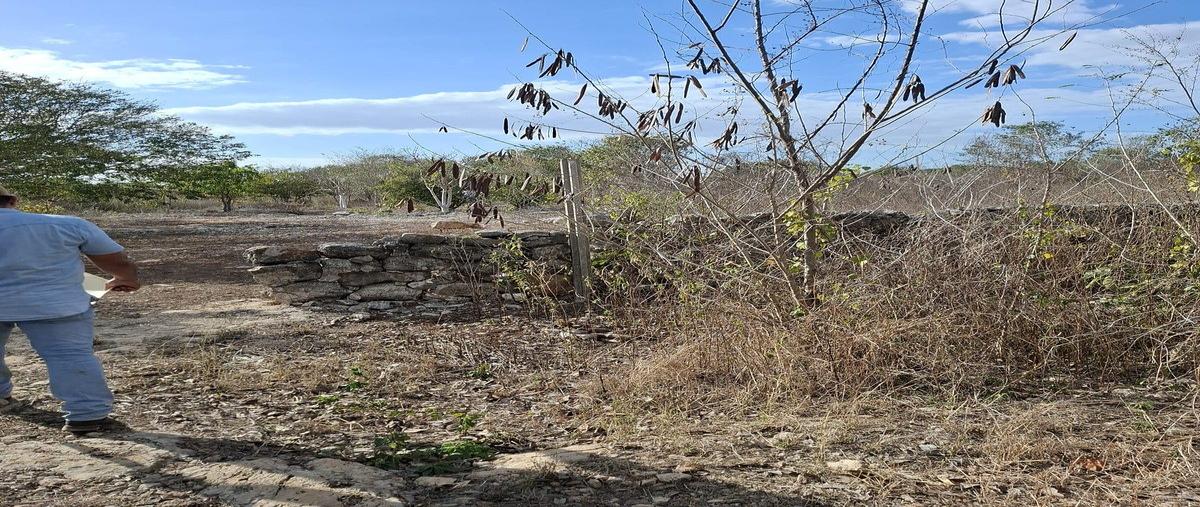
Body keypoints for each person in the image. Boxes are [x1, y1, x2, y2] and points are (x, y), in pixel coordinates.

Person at [0, 185, 140, 435]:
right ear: (12, 200)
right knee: (69, 355)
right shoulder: (66, 224)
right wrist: (124, 278)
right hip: (55, 304)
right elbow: (116, 259)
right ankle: (86, 416)